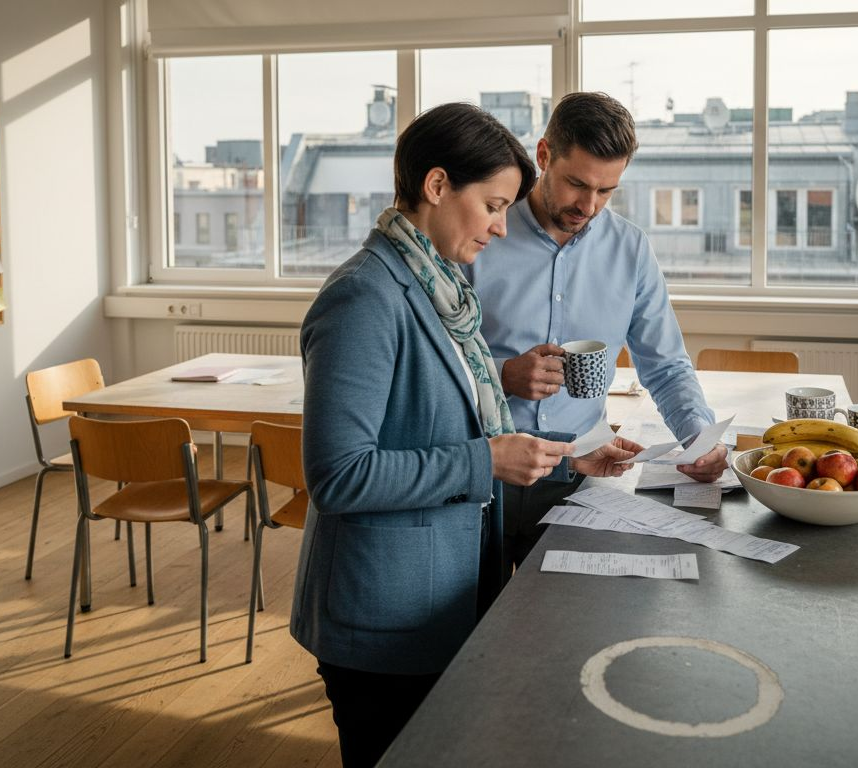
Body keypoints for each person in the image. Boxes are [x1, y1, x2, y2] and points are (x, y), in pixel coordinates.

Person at [291, 102, 641, 768]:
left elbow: (458, 428)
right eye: (493, 205)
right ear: (437, 186)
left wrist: (569, 463)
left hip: (436, 603)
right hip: (383, 615)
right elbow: (338, 476)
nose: (504, 227)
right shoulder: (364, 298)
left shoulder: (436, 289)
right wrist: (485, 459)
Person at [463, 92, 728, 567]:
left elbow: (665, 364)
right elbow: (432, 359)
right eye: (576, 184)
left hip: (581, 472)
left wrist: (698, 437)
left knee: (569, 619)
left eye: (606, 191)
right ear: (544, 156)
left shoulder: (630, 249)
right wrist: (502, 375)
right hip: (486, 471)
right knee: (478, 623)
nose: (588, 205)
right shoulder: (481, 233)